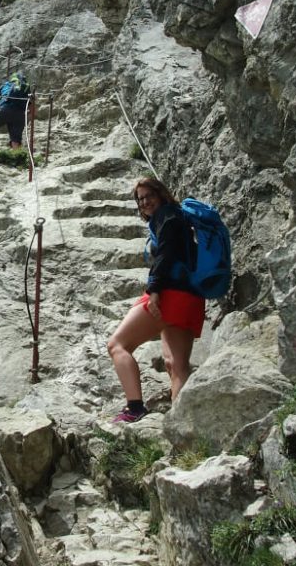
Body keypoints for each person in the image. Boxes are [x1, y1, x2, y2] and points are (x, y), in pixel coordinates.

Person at [106, 177, 204, 423]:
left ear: (161, 194)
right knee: (176, 364)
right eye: (140, 199)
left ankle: (134, 407)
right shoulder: (180, 218)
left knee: (117, 345)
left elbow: (166, 254)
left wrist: (154, 291)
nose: (145, 202)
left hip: (169, 294)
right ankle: (180, 423)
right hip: (192, 295)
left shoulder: (166, 216)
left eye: (149, 196)